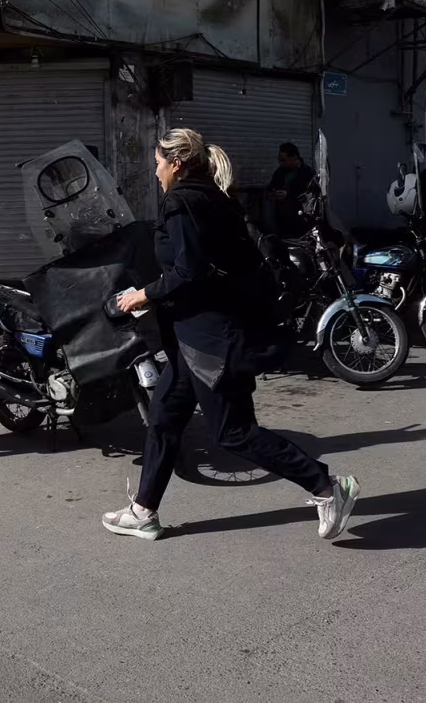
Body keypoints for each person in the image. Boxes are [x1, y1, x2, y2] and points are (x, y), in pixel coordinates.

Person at [103, 128, 359, 542]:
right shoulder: (213, 197)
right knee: (164, 418)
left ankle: (328, 487)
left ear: (177, 163)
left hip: (211, 342)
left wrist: (142, 295)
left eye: (158, 163)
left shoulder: (181, 201)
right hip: (193, 338)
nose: (155, 171)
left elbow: (189, 271)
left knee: (233, 433)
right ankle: (143, 512)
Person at [265, 142, 316, 238]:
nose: (280, 163)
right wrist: (272, 194)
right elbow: (271, 187)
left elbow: (310, 196)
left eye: (283, 160)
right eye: (279, 160)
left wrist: (289, 195)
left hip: (301, 221)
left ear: (295, 158)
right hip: (282, 222)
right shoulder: (279, 172)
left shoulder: (308, 173)